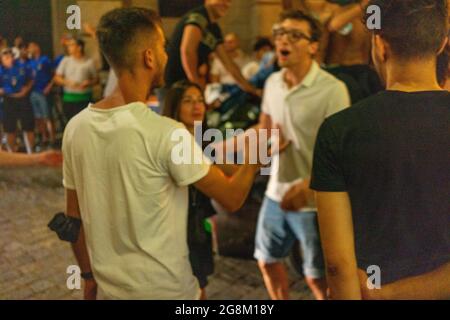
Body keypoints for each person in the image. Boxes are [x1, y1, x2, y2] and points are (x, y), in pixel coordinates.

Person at [62, 7, 264, 300]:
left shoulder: (75, 127)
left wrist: (88, 277)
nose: (167, 56)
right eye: (163, 47)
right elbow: (232, 198)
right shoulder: (167, 133)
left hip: (110, 292)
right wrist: (253, 160)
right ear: (148, 57)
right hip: (168, 291)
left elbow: (72, 216)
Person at [300, 0, 450, 299]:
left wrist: (383, 294)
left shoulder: (338, 130)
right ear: (441, 44)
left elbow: (339, 267)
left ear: (380, 45)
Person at [254, 10, 350, 300]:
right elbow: (265, 126)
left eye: (295, 35)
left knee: (317, 277)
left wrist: (309, 184)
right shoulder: (272, 83)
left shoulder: (333, 90)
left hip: (314, 201)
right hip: (274, 194)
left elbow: (342, 154)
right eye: (280, 33)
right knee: (266, 260)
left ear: (313, 46)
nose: (284, 40)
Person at [163, 80, 243, 300]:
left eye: (200, 100)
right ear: (174, 106)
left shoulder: (203, 140)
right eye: (188, 101)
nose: (196, 106)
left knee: (199, 283)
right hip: (173, 225)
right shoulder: (171, 141)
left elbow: (231, 170)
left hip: (197, 222)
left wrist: (260, 162)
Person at [164, 0, 259, 95]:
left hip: (186, 87)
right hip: (172, 85)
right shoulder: (198, 17)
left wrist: (252, 90)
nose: (225, 4)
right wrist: (196, 86)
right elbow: (187, 51)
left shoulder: (214, 29)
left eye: (229, 1)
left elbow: (229, 65)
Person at [54, 38, 98, 123]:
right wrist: (67, 82)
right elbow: (57, 78)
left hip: (85, 99)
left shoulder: (89, 62)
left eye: (71, 45)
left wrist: (88, 83)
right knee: (71, 124)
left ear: (79, 47)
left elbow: (96, 79)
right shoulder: (65, 60)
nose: (68, 47)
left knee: (85, 125)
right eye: (68, 45)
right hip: (69, 99)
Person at [0, 48, 35, 153]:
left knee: (28, 127)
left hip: (23, 99)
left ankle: (31, 152)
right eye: (6, 57)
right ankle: (12, 153)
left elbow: (31, 79)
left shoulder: (22, 66)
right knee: (9, 129)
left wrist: (26, 89)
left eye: (11, 56)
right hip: (8, 100)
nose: (9, 59)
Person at [28, 42, 56, 149]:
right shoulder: (30, 62)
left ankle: (52, 139)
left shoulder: (45, 60)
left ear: (37, 47)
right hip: (33, 92)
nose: (29, 49)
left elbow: (54, 74)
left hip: (43, 91)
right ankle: (44, 138)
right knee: (38, 117)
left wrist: (49, 86)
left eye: (31, 47)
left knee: (47, 116)